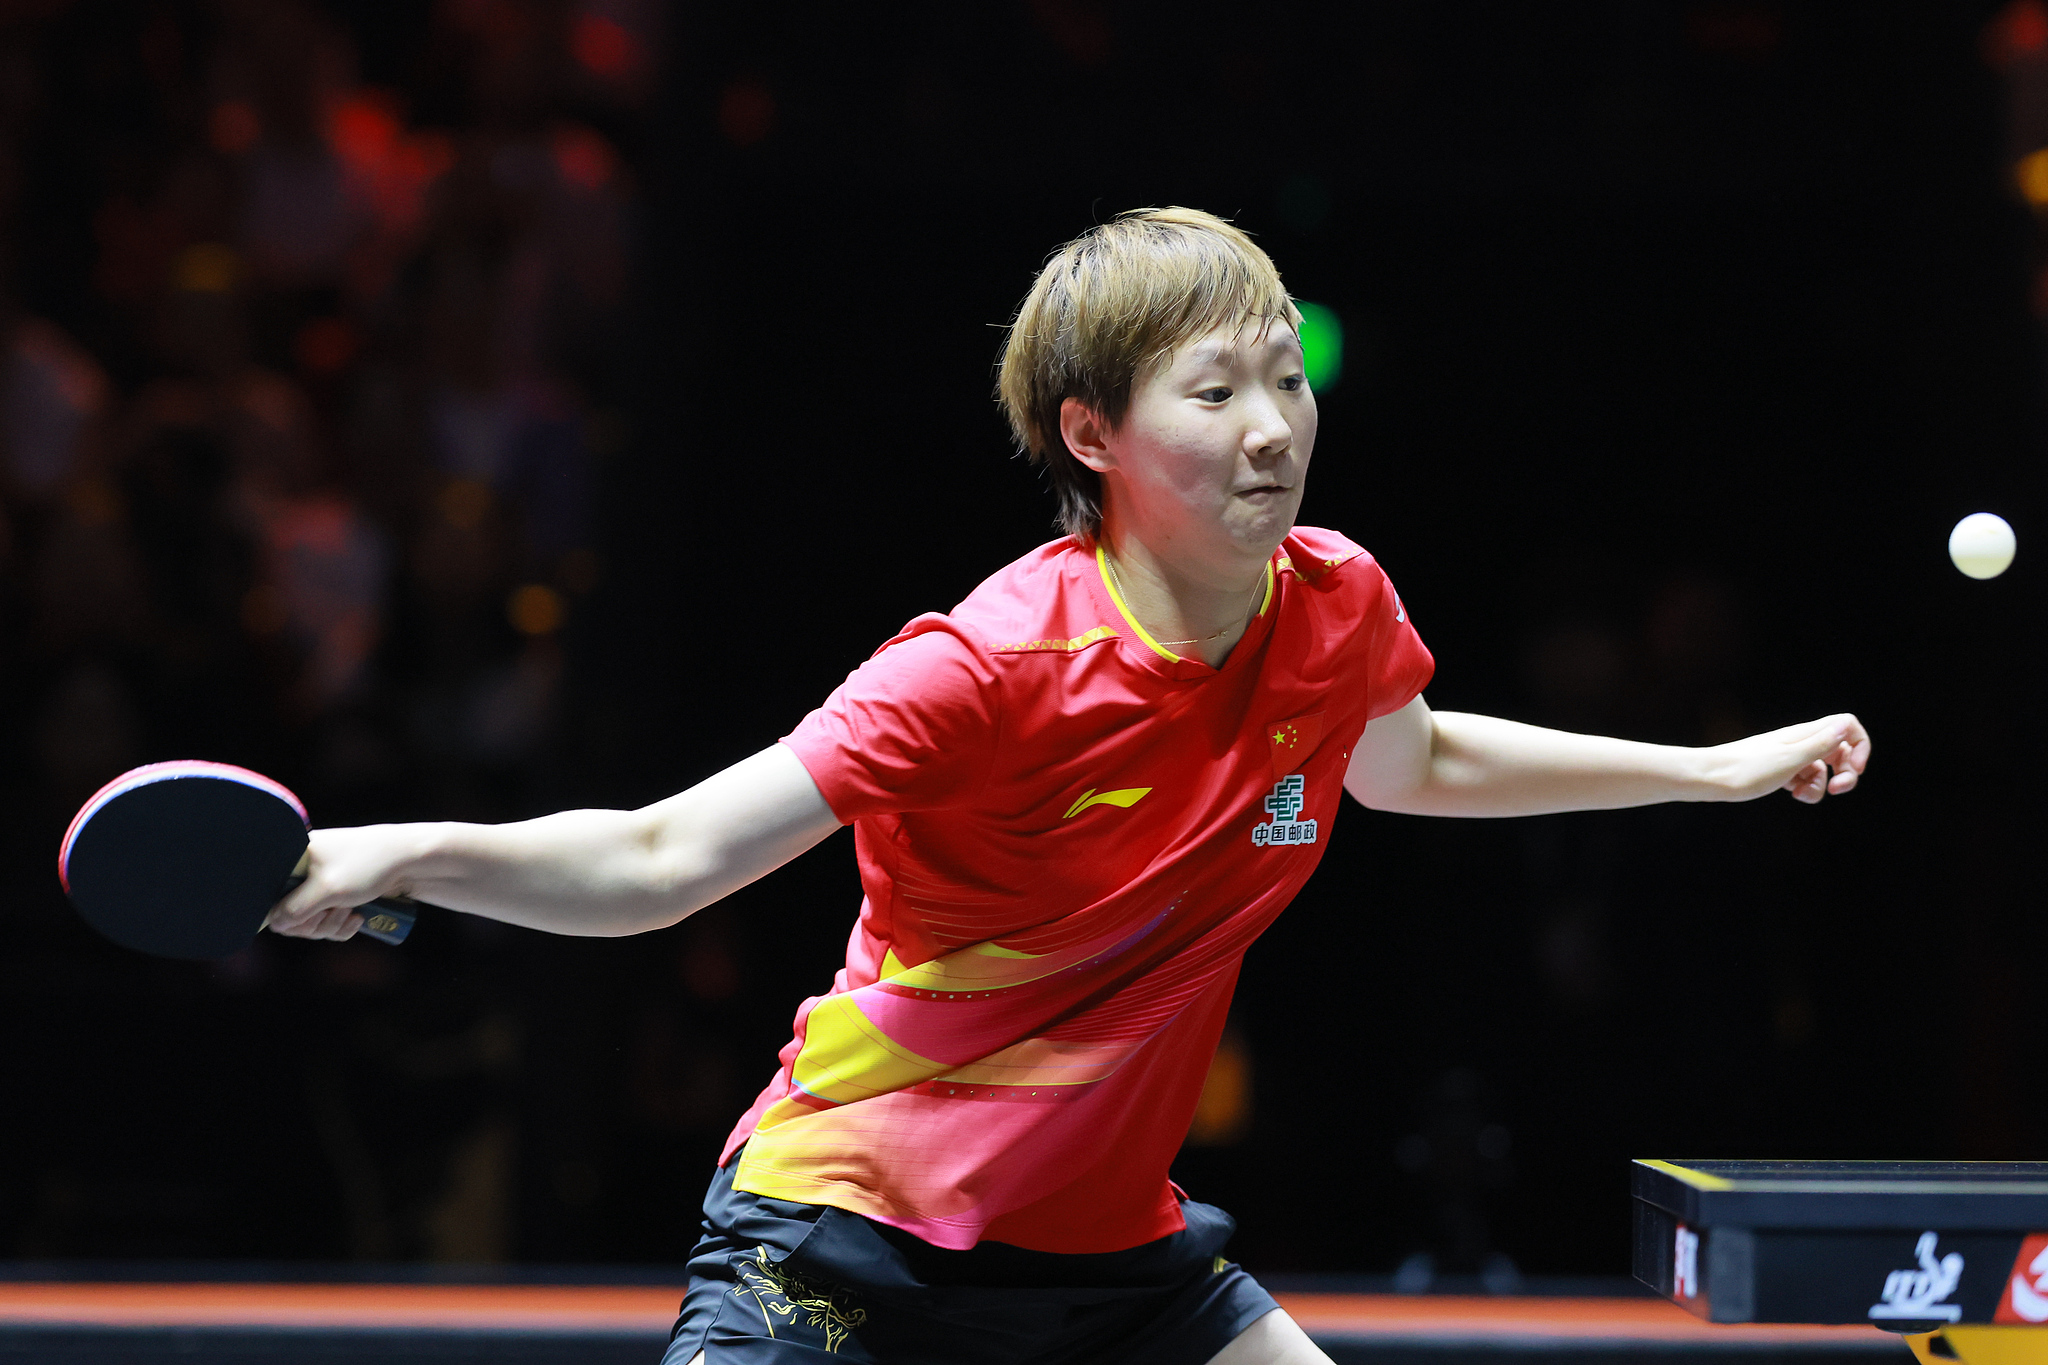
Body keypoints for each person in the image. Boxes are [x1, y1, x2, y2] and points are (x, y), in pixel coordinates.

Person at [268, 208, 1872, 1365]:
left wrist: (1710, 769)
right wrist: (399, 850)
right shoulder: (984, 667)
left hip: (1115, 1264)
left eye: (1286, 381)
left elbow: (1414, 758)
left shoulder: (1334, 608)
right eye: (1216, 392)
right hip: (851, 1238)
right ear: (1090, 431)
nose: (1272, 431)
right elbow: (661, 854)